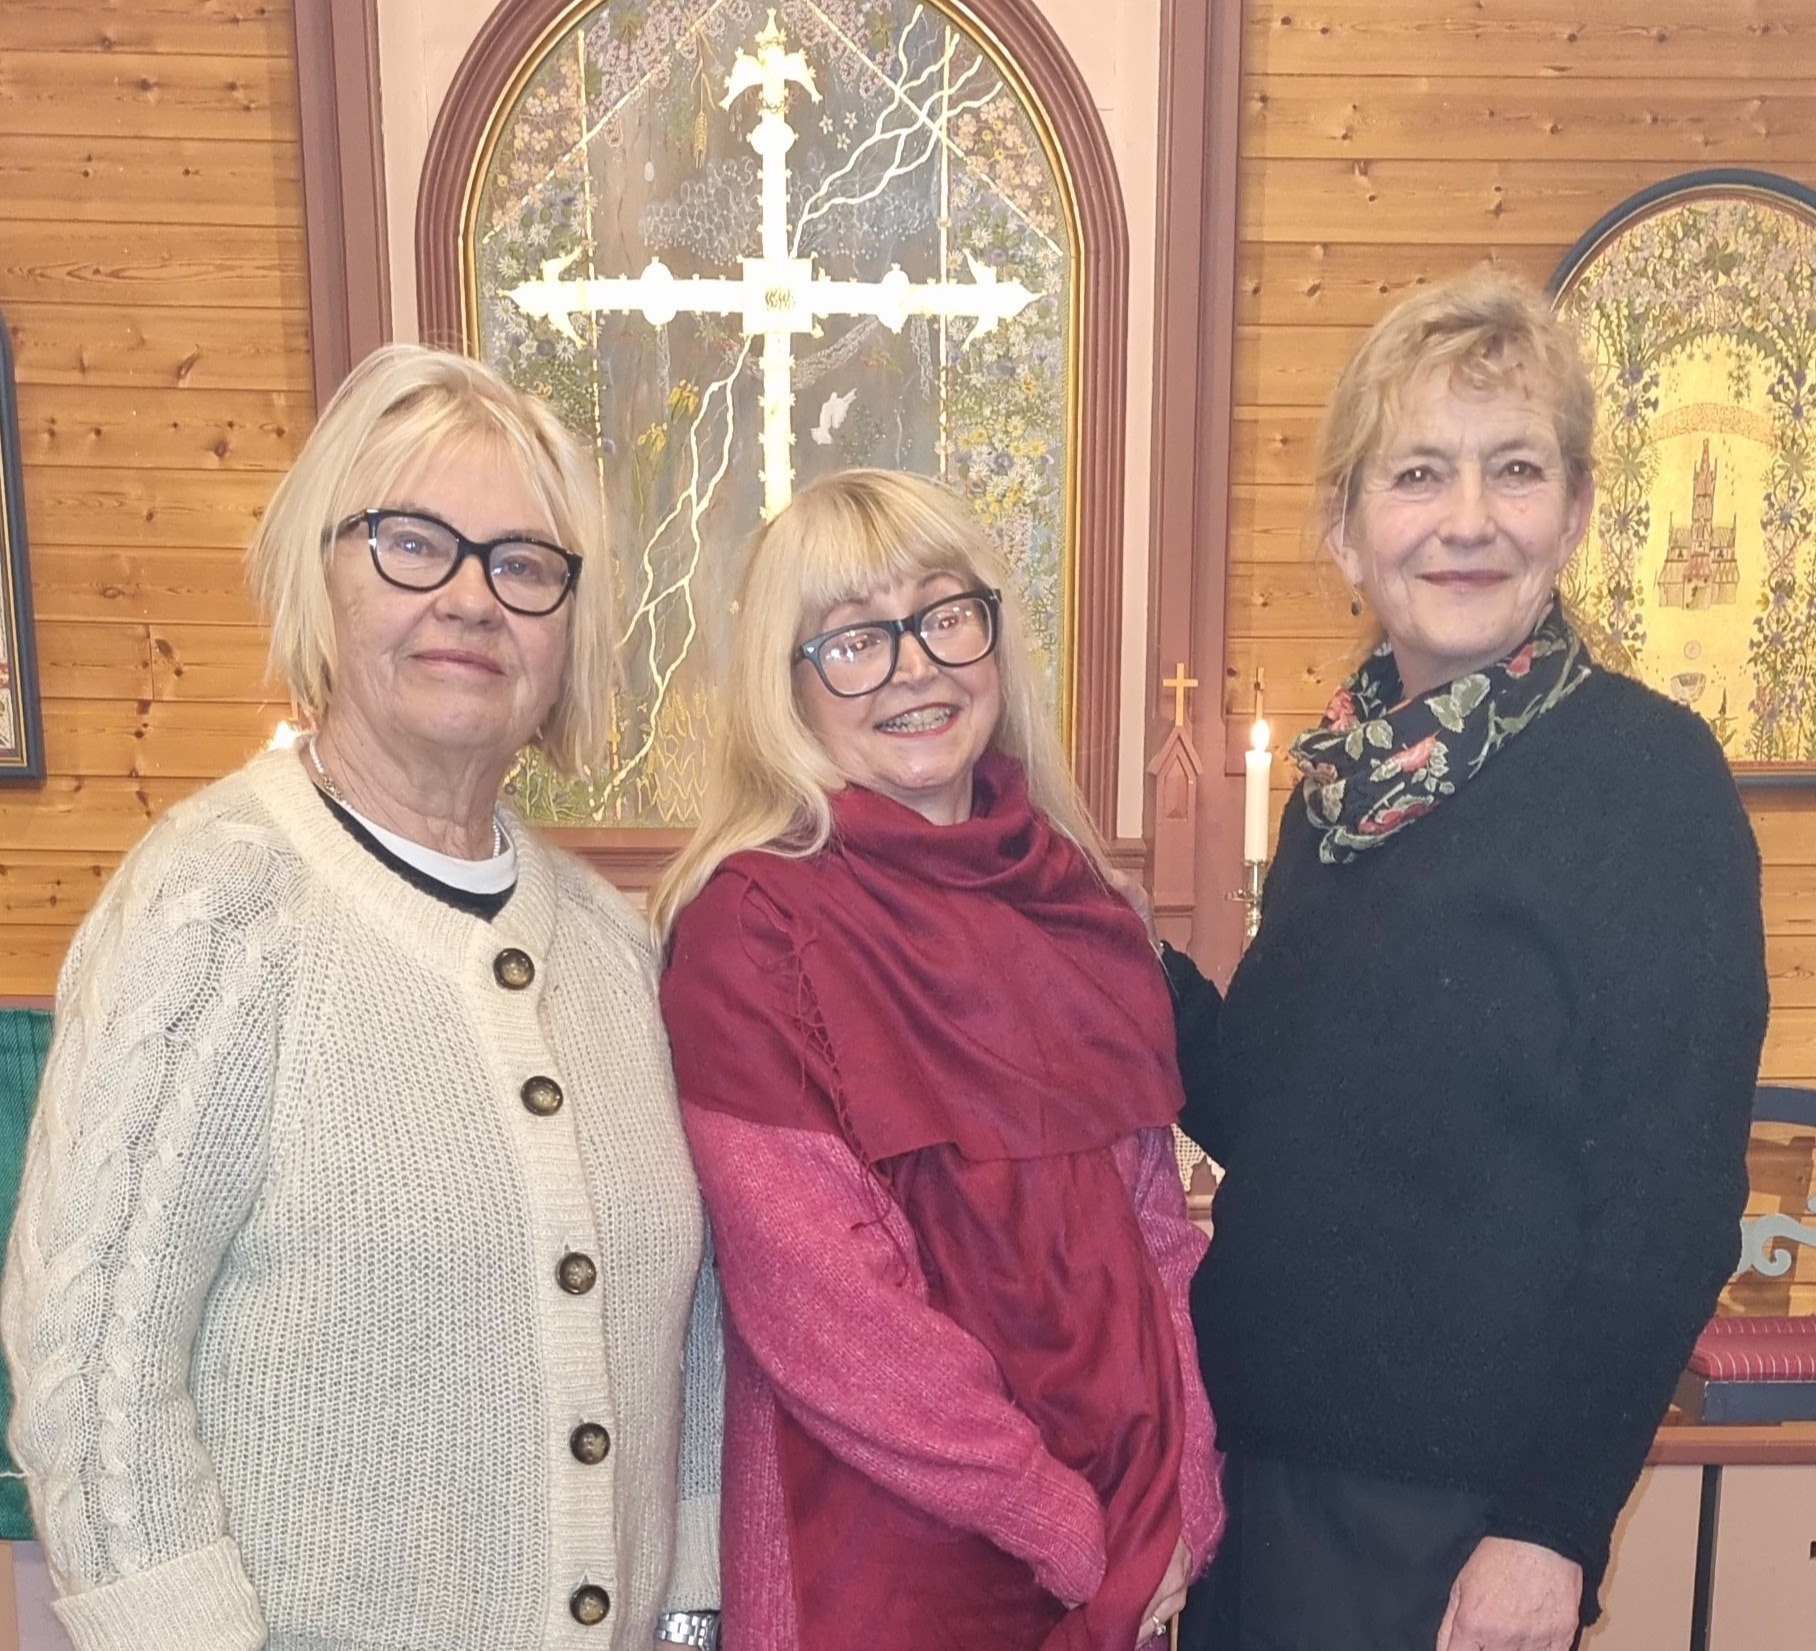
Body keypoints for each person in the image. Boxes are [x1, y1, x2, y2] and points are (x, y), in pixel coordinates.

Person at [1, 345, 722, 1651]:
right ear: (321, 575)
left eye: (523, 565)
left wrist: (690, 1609)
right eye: (413, 543)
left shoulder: (615, 950)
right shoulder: (215, 908)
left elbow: (691, 1333)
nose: (470, 597)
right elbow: (94, 1369)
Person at [1170, 268, 1769, 1651]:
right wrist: (1099, 945)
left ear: (1575, 511)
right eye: (1417, 473)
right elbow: (1270, 1112)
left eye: (1514, 469)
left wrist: (1552, 1526)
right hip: (1254, 1472)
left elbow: (1671, 1205)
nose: (1466, 519)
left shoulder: (1645, 781)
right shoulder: (1346, 784)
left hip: (1453, 1521)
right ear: (1344, 529)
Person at [652, 469, 1222, 1651]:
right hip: (885, 1556)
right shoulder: (752, 927)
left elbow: (1155, 1235)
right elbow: (830, 1316)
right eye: (853, 639)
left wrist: (1181, 1500)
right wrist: (1068, 1528)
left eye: (942, 615)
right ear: (786, 686)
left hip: (1122, 1535)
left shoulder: (1072, 898)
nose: (913, 667)